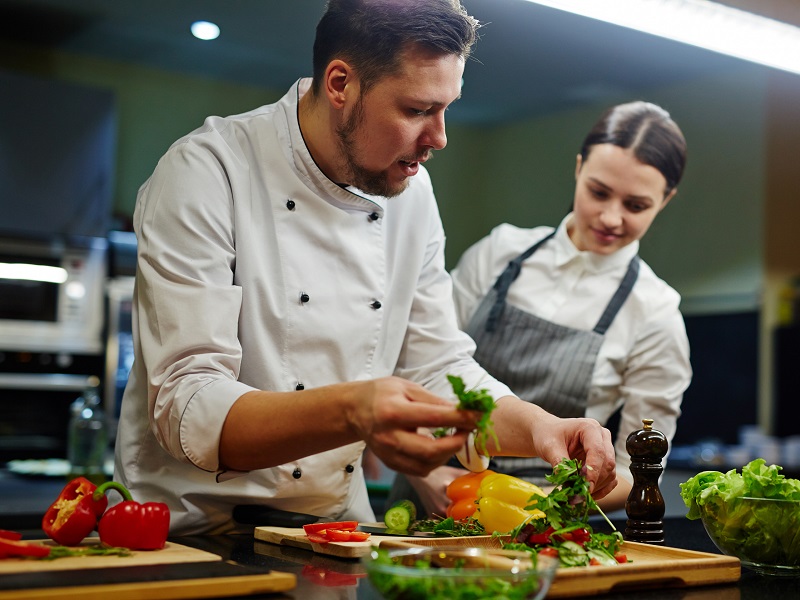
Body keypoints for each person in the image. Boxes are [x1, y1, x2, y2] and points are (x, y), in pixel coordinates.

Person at [114, 0, 617, 536]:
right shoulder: (208, 172)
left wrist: (544, 427)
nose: (440, 137)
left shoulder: (412, 192)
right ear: (340, 84)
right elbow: (187, 405)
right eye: (417, 109)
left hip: (333, 533)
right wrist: (355, 410)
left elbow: (437, 367)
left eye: (447, 108)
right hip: (188, 533)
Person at [391, 101, 692, 515]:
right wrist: (423, 475)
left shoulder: (656, 314)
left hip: (540, 520)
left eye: (636, 206)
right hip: (428, 491)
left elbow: (638, 470)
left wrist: (539, 505)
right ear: (578, 168)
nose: (610, 217)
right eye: (598, 192)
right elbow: (416, 365)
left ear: (667, 199)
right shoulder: (499, 254)